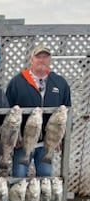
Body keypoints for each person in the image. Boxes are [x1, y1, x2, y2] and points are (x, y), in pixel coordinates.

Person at [6, 44, 71, 177]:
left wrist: (63, 136)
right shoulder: (17, 82)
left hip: (47, 142)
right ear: (31, 60)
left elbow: (67, 111)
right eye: (38, 57)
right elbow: (8, 111)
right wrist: (13, 137)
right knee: (19, 177)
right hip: (23, 141)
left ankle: (42, 198)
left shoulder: (60, 82)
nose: (42, 60)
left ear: (50, 60)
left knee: (45, 178)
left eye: (45, 57)